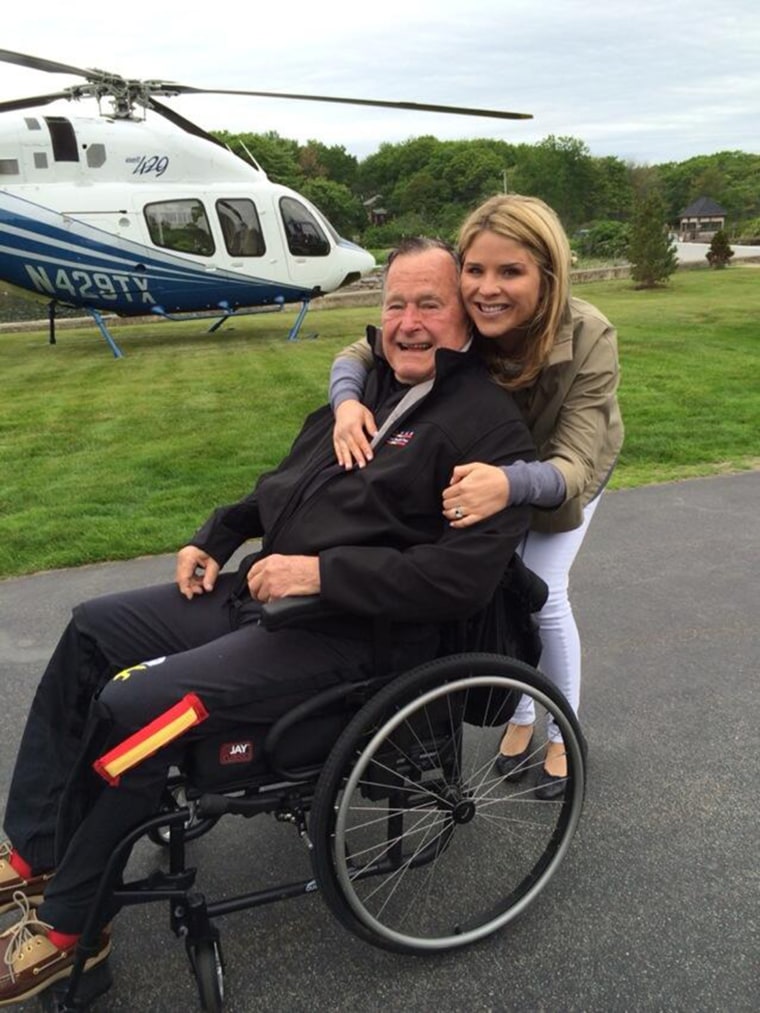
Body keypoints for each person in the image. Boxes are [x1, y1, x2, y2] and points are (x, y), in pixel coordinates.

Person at [0, 237, 536, 1006]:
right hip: (260, 598)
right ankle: (40, 849)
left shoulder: (486, 428)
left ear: (465, 318)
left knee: (137, 708)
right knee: (92, 629)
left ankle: (70, 933)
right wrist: (214, 536)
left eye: (430, 304)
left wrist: (322, 573)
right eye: (395, 304)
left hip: (349, 641)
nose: (409, 322)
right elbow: (284, 490)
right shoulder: (363, 397)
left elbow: (459, 579)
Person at [328, 195, 623, 800]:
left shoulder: (590, 334)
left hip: (565, 470)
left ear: (548, 274)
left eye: (510, 272)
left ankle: (565, 733)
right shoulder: (469, 313)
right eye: (476, 270)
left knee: (542, 590)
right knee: (494, 589)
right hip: (493, 467)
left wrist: (510, 481)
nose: (488, 289)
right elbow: (361, 349)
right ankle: (519, 718)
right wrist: (347, 402)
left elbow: (569, 466)